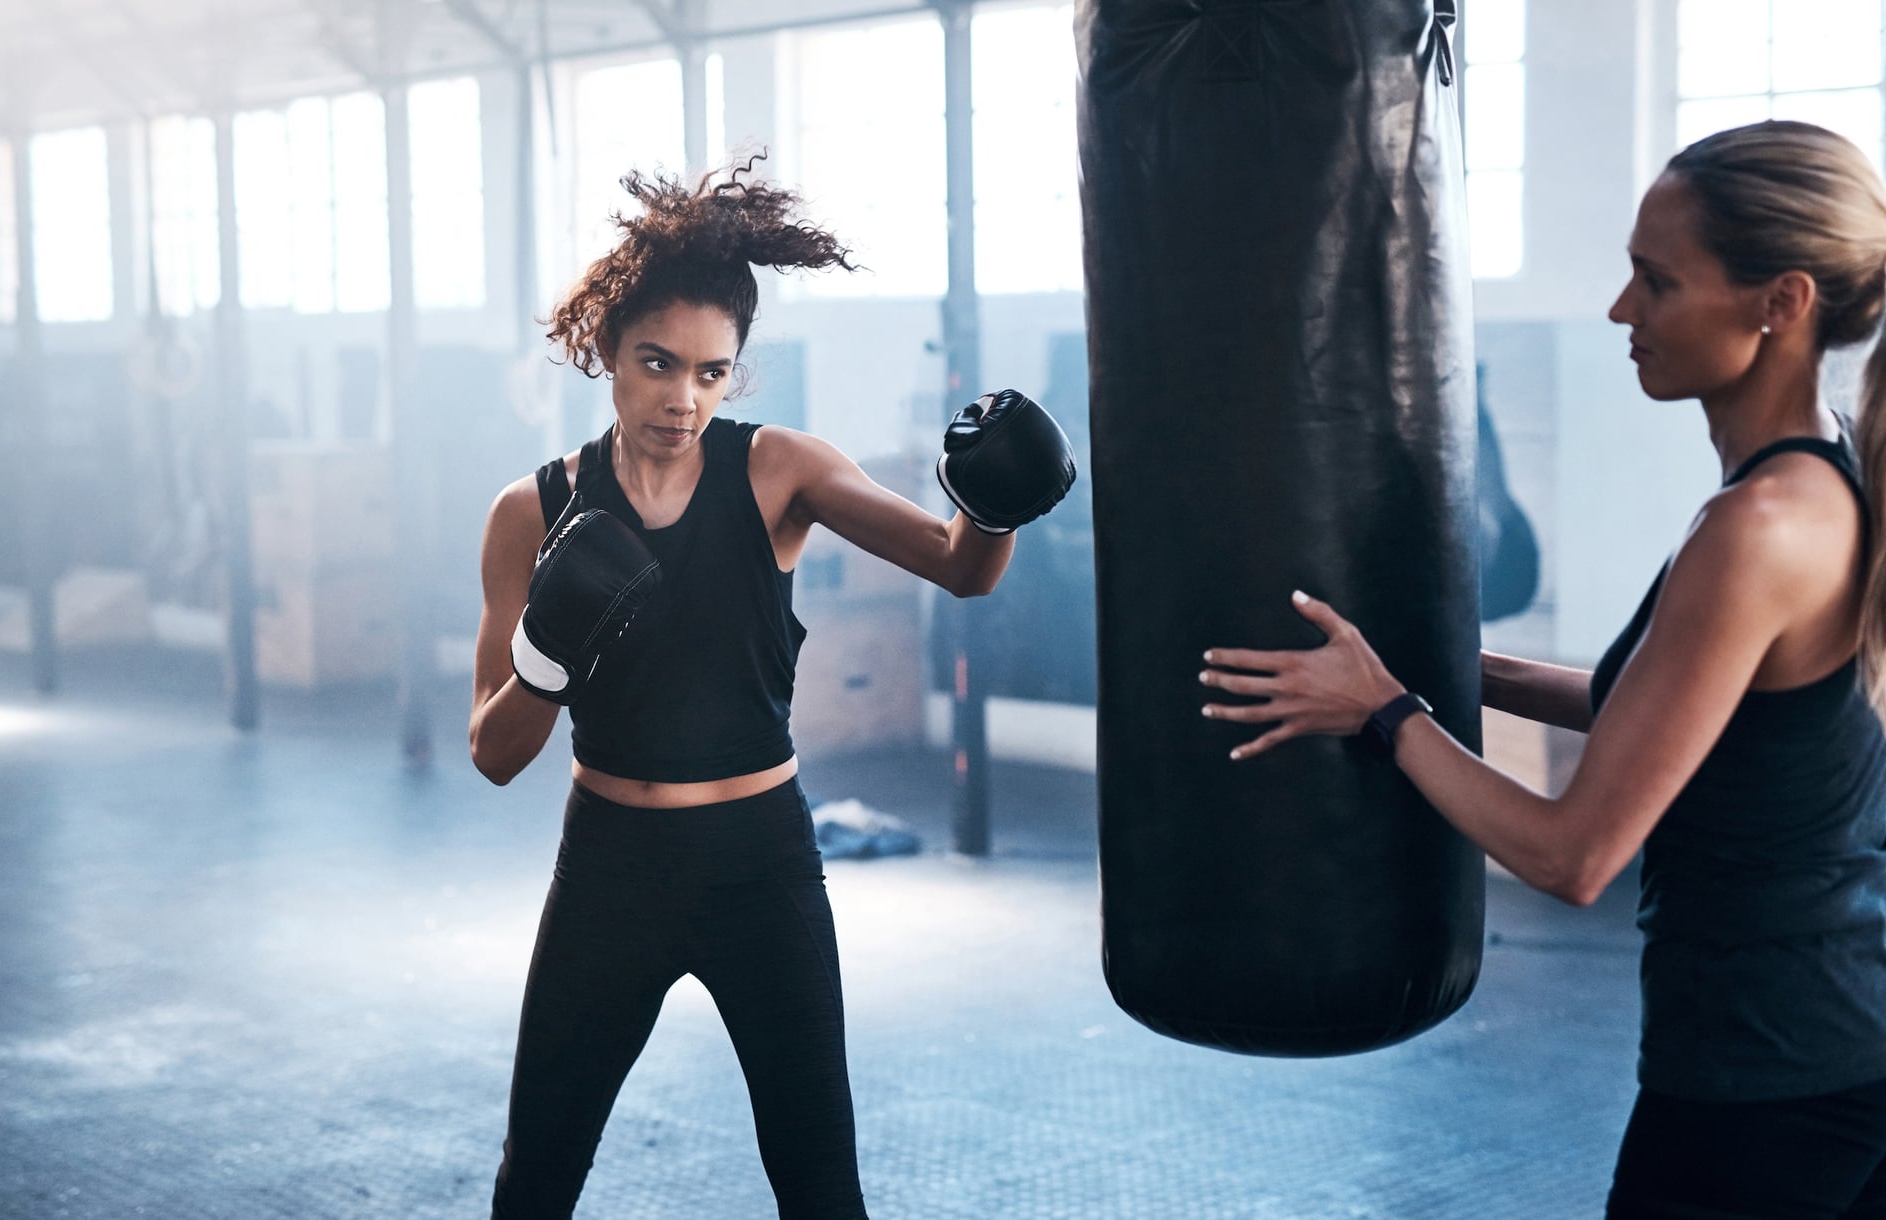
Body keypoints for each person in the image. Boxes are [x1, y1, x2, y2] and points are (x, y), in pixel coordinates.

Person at [1198, 120, 1886, 1216]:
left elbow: (1571, 855)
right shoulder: (1822, 477)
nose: (1621, 311)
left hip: (1767, 1079)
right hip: (1827, 1048)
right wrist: (1451, 670)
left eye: (1654, 283)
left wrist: (1384, 713)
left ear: (1780, 301)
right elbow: (1680, 721)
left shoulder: (1754, 528)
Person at [467, 156, 1076, 1220]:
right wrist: (548, 652)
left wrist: (994, 507)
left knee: (820, 1189)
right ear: (607, 345)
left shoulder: (777, 469)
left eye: (711, 371)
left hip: (762, 867)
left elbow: (956, 566)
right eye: (658, 363)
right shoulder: (533, 509)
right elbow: (492, 749)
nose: (682, 396)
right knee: (535, 1179)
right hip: (609, 867)